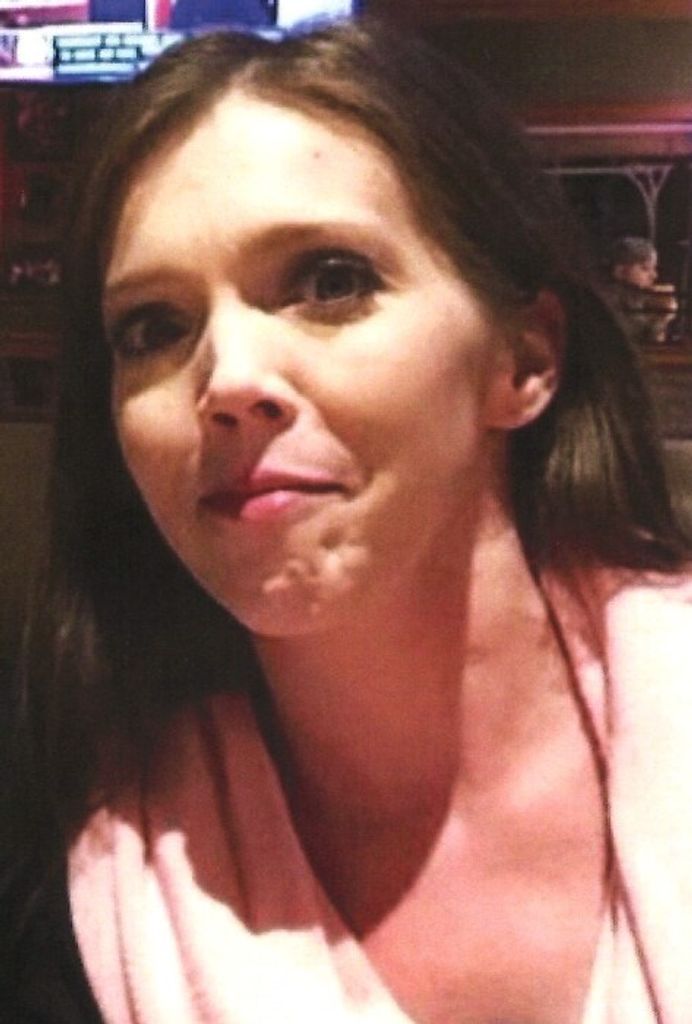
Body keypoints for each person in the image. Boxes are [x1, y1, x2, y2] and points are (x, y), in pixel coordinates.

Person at [3, 18, 692, 1024]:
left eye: (331, 281)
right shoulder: (63, 859)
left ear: (524, 360)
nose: (228, 380)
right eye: (154, 327)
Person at [602, 235, 677, 345]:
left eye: (654, 268)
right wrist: (662, 317)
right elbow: (640, 342)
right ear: (620, 271)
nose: (654, 275)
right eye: (645, 268)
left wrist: (663, 316)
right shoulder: (608, 301)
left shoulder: (642, 299)